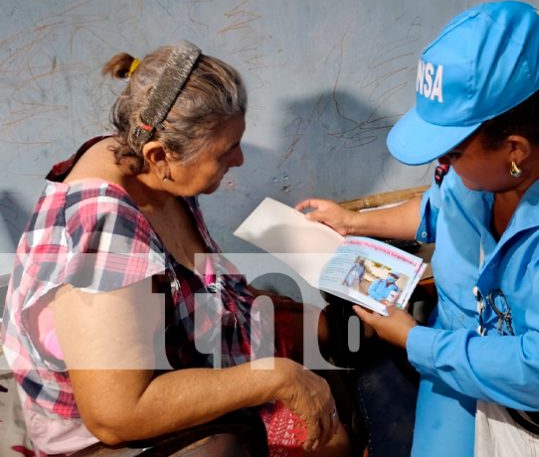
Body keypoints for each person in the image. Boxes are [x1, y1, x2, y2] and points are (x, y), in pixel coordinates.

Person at [296, 0, 539, 457]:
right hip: (455, 375)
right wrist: (354, 221)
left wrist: (414, 340)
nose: (442, 166)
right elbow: (439, 208)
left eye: (451, 155)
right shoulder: (483, 171)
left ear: (515, 149)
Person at [1, 41, 349, 457]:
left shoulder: (146, 163)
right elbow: (116, 415)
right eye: (225, 152)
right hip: (114, 436)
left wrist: (312, 323)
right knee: (329, 443)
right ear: (159, 154)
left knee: (346, 336)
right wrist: (277, 378)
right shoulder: (105, 231)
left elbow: (202, 288)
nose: (238, 159)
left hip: (186, 348)